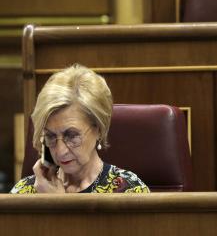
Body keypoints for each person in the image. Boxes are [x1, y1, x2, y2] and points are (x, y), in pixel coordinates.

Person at [10, 64, 150, 193]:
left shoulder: (128, 190)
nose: (60, 151)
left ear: (99, 129)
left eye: (71, 135)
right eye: (50, 136)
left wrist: (57, 206)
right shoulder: (27, 191)